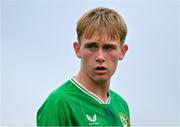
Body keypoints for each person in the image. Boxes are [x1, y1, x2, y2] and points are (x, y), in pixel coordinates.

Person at [36, 7, 130, 126]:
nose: (100, 57)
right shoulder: (59, 103)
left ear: (122, 51)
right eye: (92, 47)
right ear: (78, 49)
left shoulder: (121, 105)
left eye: (108, 48)